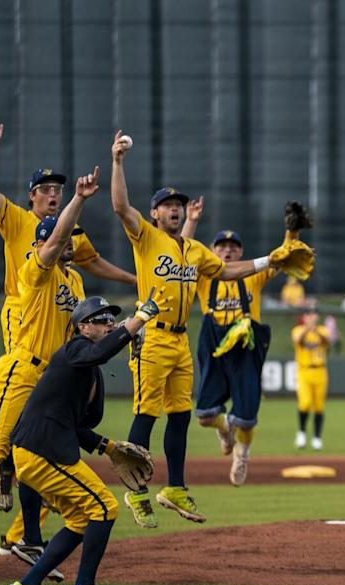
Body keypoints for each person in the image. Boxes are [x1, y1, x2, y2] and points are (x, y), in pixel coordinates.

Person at [110, 131, 286, 526]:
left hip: (180, 340)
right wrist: (118, 162)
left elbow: (225, 271)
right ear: (155, 214)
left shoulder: (192, 249)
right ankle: (136, 491)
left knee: (181, 415)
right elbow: (121, 206)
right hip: (151, 335)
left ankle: (175, 486)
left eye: (178, 205)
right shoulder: (147, 237)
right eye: (167, 206)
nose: (174, 210)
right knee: (146, 415)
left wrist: (267, 260)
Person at [0, 110, 136, 509]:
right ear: (32, 195)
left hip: (53, 323)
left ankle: (23, 518)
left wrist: (135, 282)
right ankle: (4, 443)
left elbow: (91, 260)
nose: (53, 193)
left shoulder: (70, 256)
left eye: (57, 189)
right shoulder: (19, 221)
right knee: (13, 393)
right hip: (23, 309)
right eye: (45, 188)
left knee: (32, 412)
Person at [0, 168, 99, 581]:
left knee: (36, 458)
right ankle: (22, 522)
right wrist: (78, 200)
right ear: (44, 241)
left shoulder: (75, 280)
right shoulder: (34, 267)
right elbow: (54, 242)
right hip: (21, 370)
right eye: (61, 239)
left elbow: (84, 330)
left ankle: (27, 537)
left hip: (50, 380)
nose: (68, 245)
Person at [3, 292, 165, 585]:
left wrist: (108, 447)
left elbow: (75, 424)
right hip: (41, 449)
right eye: (101, 320)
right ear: (81, 327)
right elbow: (100, 353)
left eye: (111, 319)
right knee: (105, 507)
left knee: (80, 519)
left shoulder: (85, 368)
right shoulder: (75, 351)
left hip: (39, 447)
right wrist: (138, 320)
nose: (108, 323)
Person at [181, 198, 297, 485]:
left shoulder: (252, 277)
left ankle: (242, 454)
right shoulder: (202, 276)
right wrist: (192, 221)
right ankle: (224, 429)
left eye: (233, 247)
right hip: (214, 343)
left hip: (245, 345)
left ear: (242, 252)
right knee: (206, 414)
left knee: (245, 417)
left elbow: (282, 256)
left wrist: (292, 232)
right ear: (211, 251)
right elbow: (180, 253)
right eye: (221, 246)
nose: (228, 250)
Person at [293, 305, 330, 450]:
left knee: (319, 406)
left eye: (313, 314)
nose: (311, 317)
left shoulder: (322, 330)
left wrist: (315, 330)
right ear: (304, 317)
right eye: (308, 314)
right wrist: (308, 328)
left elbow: (327, 340)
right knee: (305, 403)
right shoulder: (298, 330)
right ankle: (301, 433)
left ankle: (317, 438)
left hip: (320, 371)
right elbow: (298, 340)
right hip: (304, 371)